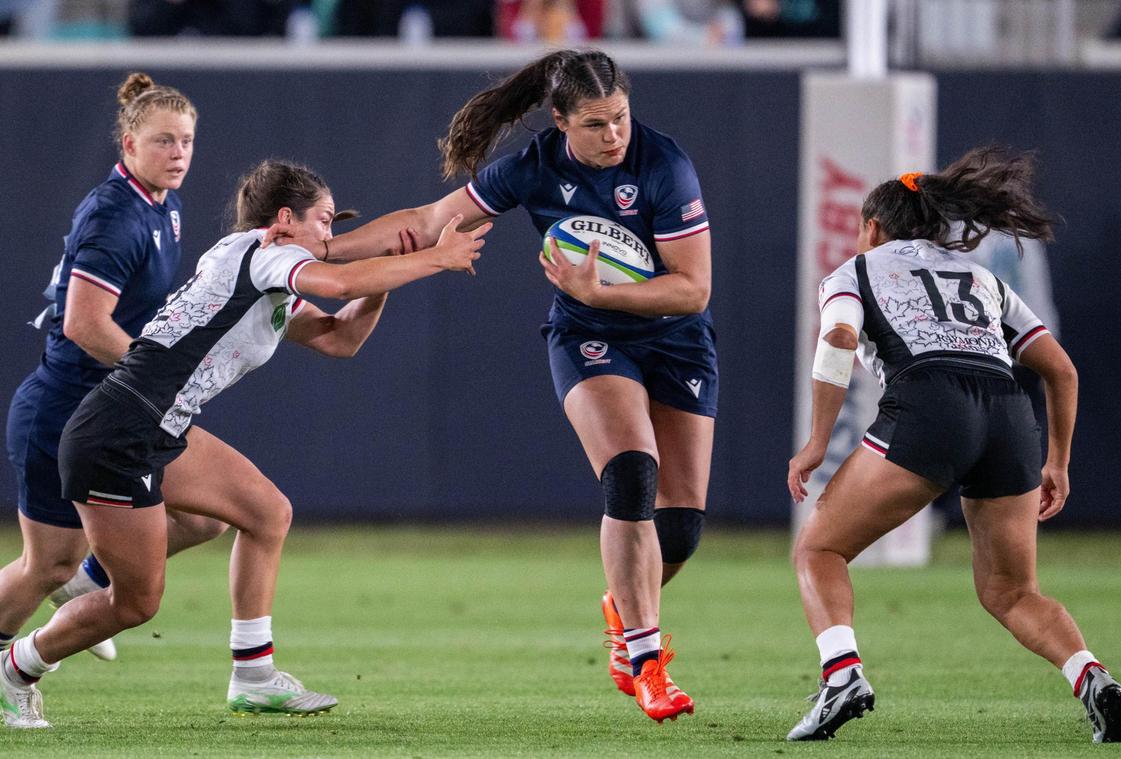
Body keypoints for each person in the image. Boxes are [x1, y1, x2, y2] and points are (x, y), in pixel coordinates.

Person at [265, 49, 713, 723]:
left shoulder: (664, 165)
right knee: (630, 474)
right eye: (595, 124)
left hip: (676, 339)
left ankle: (623, 602)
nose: (614, 135)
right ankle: (648, 663)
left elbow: (694, 287)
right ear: (559, 120)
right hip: (591, 338)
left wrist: (603, 286)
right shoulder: (534, 169)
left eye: (620, 117)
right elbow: (425, 223)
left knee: (678, 528)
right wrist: (321, 252)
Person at [0, 160, 489, 729]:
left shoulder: (260, 266)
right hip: (119, 434)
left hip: (156, 424)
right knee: (136, 605)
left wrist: (387, 275)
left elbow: (340, 338)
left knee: (263, 512)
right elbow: (337, 283)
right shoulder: (266, 252)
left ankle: (253, 677)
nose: (330, 238)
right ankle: (15, 666)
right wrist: (430, 257)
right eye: (325, 221)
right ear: (285, 219)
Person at [785, 147, 1121, 743]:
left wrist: (817, 442)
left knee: (819, 549)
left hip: (930, 405)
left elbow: (839, 336)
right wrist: (1058, 460)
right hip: (1008, 415)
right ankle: (1091, 675)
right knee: (1012, 591)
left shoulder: (855, 271)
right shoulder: (984, 278)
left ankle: (842, 675)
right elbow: (1062, 371)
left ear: (872, 227)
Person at [2, 72, 228, 666]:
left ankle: (89, 581)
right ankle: (45, 625)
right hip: (67, 407)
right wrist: (152, 374)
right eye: (162, 141)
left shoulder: (164, 205)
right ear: (128, 145)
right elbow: (84, 324)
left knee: (208, 513)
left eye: (186, 141)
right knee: (45, 564)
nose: (178, 153)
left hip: (116, 409)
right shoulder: (116, 215)